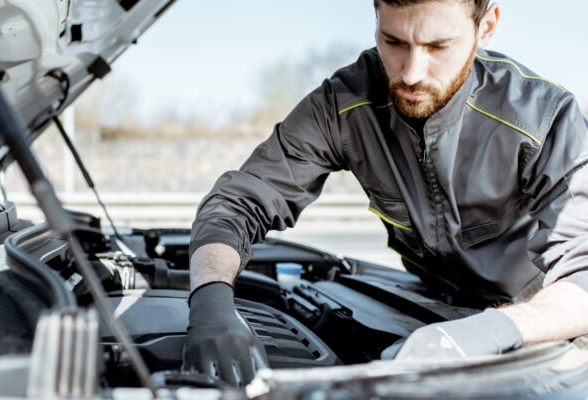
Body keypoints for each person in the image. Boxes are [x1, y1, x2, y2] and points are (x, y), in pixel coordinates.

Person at [182, 0, 588, 387]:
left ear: (487, 27)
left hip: (545, 326)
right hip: (427, 305)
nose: (411, 73)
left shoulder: (543, 120)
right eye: (393, 42)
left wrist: (490, 329)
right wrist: (210, 302)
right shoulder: (342, 103)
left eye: (437, 46)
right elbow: (238, 202)